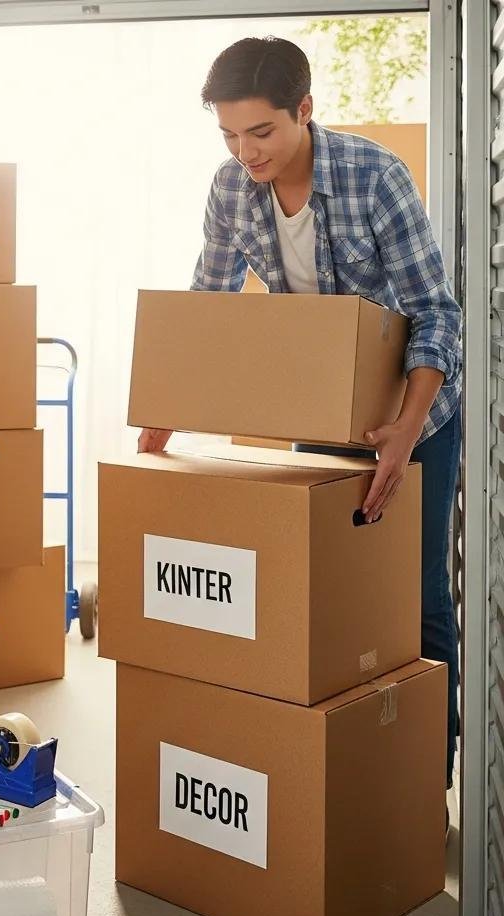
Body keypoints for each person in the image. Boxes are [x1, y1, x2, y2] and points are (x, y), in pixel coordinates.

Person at [138, 37, 463, 825]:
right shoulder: (230, 189)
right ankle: (336, 764)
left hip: (414, 418)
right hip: (321, 416)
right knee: (325, 597)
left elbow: (438, 317)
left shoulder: (375, 177)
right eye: (229, 135)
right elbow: (208, 302)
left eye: (261, 133)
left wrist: (404, 431)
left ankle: (424, 787)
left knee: (412, 601)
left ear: (305, 111)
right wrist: (166, 406)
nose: (245, 153)